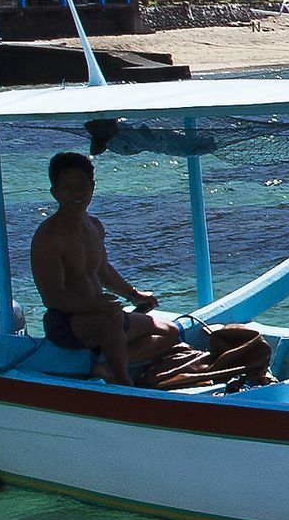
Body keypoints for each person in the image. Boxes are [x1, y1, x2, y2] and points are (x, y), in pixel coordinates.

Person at [30, 149, 274, 389]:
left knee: (169, 332)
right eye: (68, 188)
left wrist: (134, 295)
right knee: (112, 317)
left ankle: (105, 366)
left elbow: (102, 270)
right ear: (55, 193)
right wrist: (97, 307)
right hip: (68, 324)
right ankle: (123, 380)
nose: (77, 194)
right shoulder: (49, 237)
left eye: (82, 186)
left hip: (105, 316)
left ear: (93, 186)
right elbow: (53, 297)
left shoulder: (94, 226)